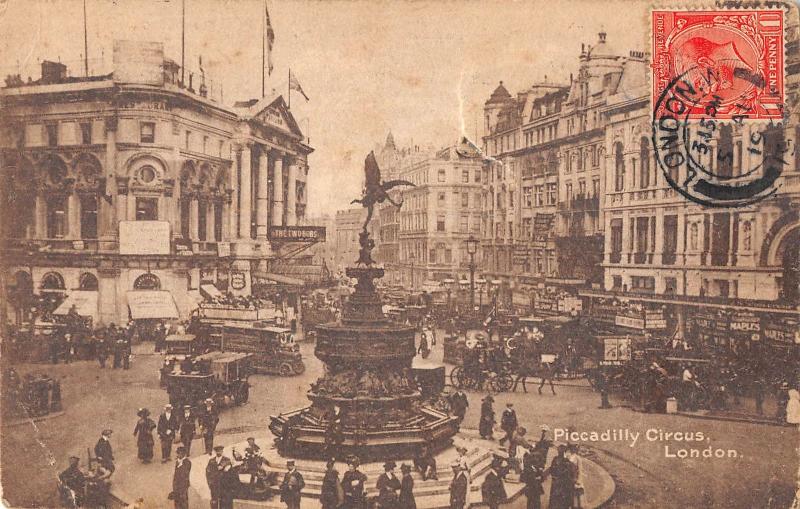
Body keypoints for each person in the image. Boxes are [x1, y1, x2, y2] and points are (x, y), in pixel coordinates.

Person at [546, 445, 576, 509]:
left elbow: (551, 469)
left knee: (556, 498)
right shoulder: (566, 462)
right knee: (559, 498)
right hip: (560, 483)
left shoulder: (557, 459)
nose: (559, 453)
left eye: (560, 451)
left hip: (557, 482)